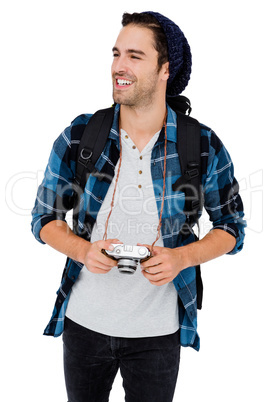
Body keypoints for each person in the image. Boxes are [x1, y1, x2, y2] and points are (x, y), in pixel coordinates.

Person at [31, 11, 246, 402]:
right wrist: (83, 250)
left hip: (158, 334)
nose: (119, 66)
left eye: (134, 55)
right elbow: (44, 218)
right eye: (116, 54)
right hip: (84, 324)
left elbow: (231, 227)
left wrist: (182, 258)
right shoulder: (82, 135)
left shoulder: (200, 145)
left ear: (165, 69)